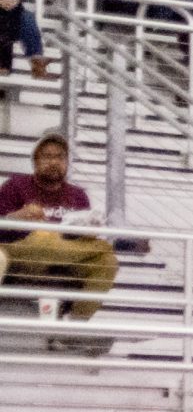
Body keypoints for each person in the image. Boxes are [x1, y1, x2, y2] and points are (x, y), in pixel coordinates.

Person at [0, 135, 118, 321]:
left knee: (107, 262)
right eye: (47, 157)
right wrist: (16, 217)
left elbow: (80, 239)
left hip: (64, 258)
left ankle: (74, 326)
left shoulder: (78, 195)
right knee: (43, 236)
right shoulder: (16, 186)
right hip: (22, 255)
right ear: (35, 161)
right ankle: (103, 247)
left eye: (60, 157)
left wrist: (90, 230)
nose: (54, 162)